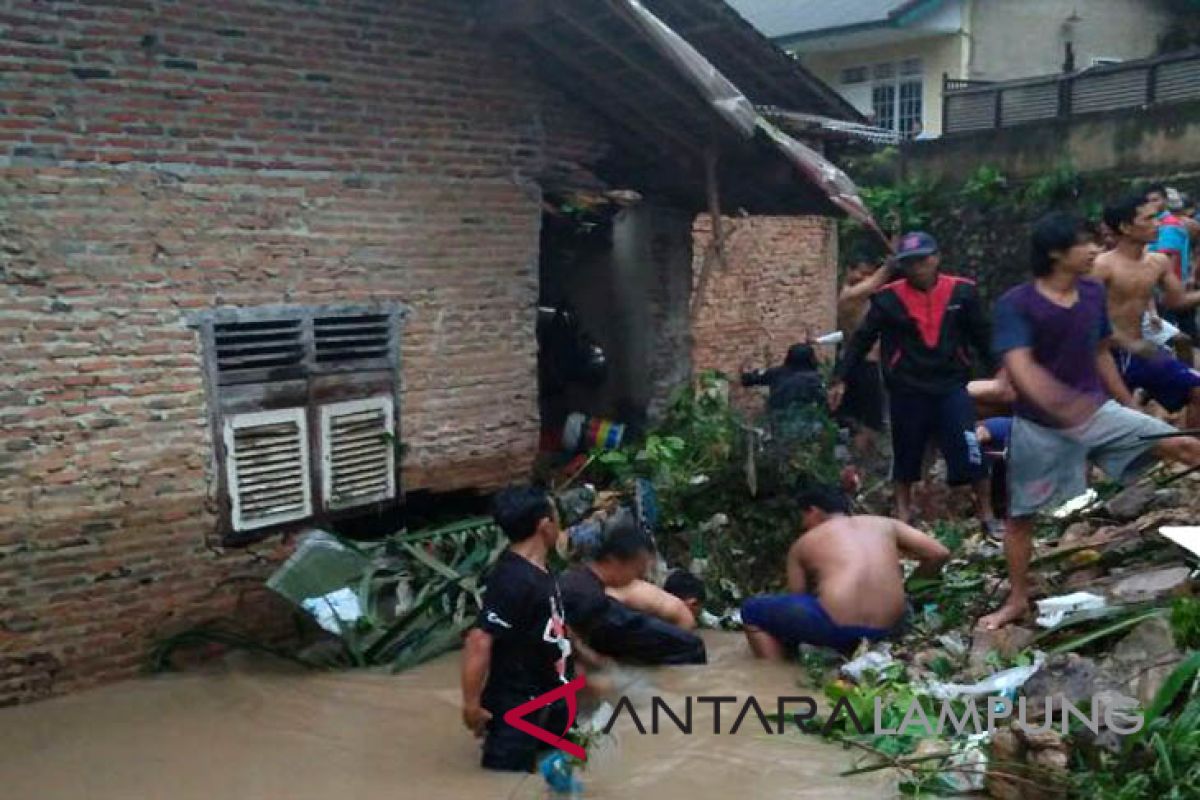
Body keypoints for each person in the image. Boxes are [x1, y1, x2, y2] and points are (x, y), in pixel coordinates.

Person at [980, 212, 1200, 630]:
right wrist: (1063, 406)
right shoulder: (1016, 304)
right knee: (1021, 517)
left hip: (1098, 412)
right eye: (1086, 243)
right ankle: (1017, 599)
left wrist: (1126, 407)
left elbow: (1100, 352)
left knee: (1184, 445)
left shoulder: (1091, 294)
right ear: (1056, 253)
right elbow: (1020, 369)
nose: (1096, 250)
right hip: (1040, 426)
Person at [830, 231, 1000, 534]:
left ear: (936, 258)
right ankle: (903, 518)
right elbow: (861, 340)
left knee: (971, 448)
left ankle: (987, 515)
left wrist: (1000, 370)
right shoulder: (888, 299)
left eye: (922, 260)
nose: (917, 268)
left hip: (951, 385)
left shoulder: (962, 293)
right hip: (908, 387)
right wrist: (840, 377)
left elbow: (982, 336)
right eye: (909, 263)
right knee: (906, 454)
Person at [741, 484, 949, 659]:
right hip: (890, 626)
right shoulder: (886, 524)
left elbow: (798, 597)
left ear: (813, 511)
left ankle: (773, 674)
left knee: (752, 610)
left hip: (837, 628)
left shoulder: (803, 543)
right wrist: (911, 587)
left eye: (802, 517)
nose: (803, 525)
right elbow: (939, 553)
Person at [461, 487, 573, 772]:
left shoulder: (541, 570)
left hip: (551, 700)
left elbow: (555, 628)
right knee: (502, 781)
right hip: (517, 710)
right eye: (555, 515)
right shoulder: (512, 579)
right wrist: (471, 706)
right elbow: (479, 640)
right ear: (544, 525)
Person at [1092, 194, 1200, 428]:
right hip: (1106, 357)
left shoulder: (1158, 262)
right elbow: (1084, 320)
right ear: (1125, 227)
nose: (1158, 223)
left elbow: (1177, 300)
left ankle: (1192, 454)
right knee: (1107, 426)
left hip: (1142, 352)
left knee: (1197, 390)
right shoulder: (1101, 266)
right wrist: (1120, 340)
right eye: (1149, 219)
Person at [560, 509, 707, 665]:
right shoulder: (590, 599)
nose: (637, 579)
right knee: (692, 647)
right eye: (637, 570)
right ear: (614, 561)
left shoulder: (574, 580)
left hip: (561, 678)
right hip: (564, 683)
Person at [836, 258, 894, 457]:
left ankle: (859, 464)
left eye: (868, 274)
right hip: (863, 365)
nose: (864, 279)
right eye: (861, 273)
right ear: (848, 270)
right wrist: (893, 263)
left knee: (866, 421)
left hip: (864, 364)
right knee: (867, 422)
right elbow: (879, 280)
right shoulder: (851, 295)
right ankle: (860, 466)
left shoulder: (864, 298)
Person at [1145, 185, 1199, 363]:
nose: (1152, 204)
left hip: (1167, 291)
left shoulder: (1168, 226)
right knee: (1185, 335)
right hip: (1168, 289)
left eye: (1156, 199)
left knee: (1178, 339)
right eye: (1148, 200)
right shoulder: (1161, 225)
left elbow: (1166, 261)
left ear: (1165, 201)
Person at [741, 342, 826, 414]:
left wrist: (746, 372)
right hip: (804, 423)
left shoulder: (776, 373)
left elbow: (749, 379)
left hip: (777, 420)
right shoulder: (814, 379)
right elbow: (824, 403)